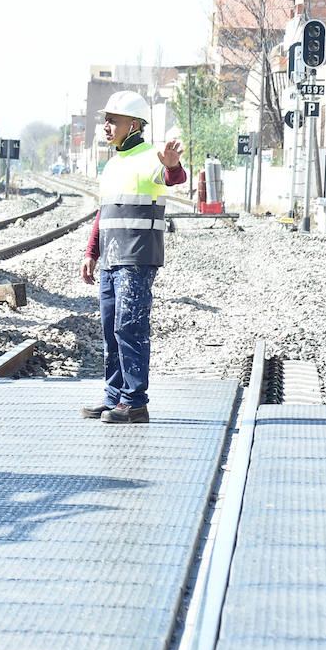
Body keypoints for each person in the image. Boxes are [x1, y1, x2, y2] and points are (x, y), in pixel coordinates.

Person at [79, 91, 186, 424]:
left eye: (113, 121)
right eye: (106, 121)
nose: (107, 127)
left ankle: (135, 402)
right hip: (111, 258)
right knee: (111, 328)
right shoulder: (112, 164)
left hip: (138, 257)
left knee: (130, 326)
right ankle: (114, 397)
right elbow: (104, 213)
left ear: (134, 125)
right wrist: (91, 252)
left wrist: (172, 165)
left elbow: (174, 177)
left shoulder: (151, 157)